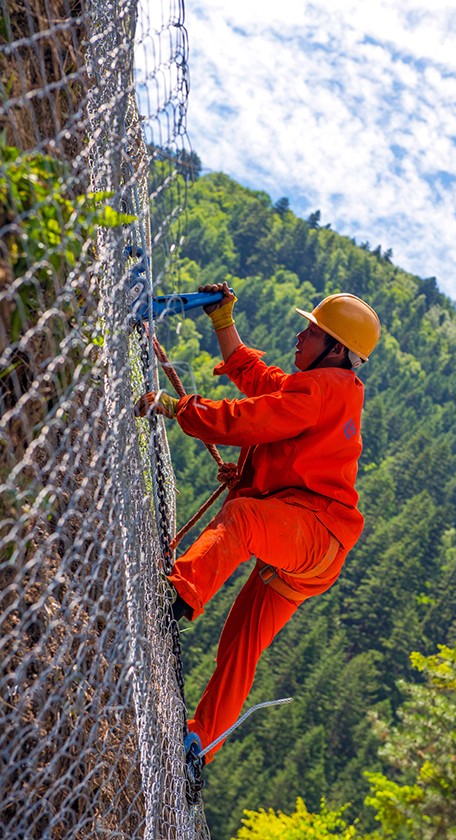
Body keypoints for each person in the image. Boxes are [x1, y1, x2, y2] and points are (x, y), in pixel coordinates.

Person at [135, 282, 380, 764]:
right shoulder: (323, 389)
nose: (299, 335)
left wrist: (178, 408)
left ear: (336, 349)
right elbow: (258, 379)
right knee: (239, 647)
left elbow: (247, 420)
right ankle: (199, 746)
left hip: (311, 533)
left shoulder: (319, 390)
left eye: (311, 332)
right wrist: (223, 322)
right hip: (313, 550)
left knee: (244, 518)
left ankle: (176, 595)